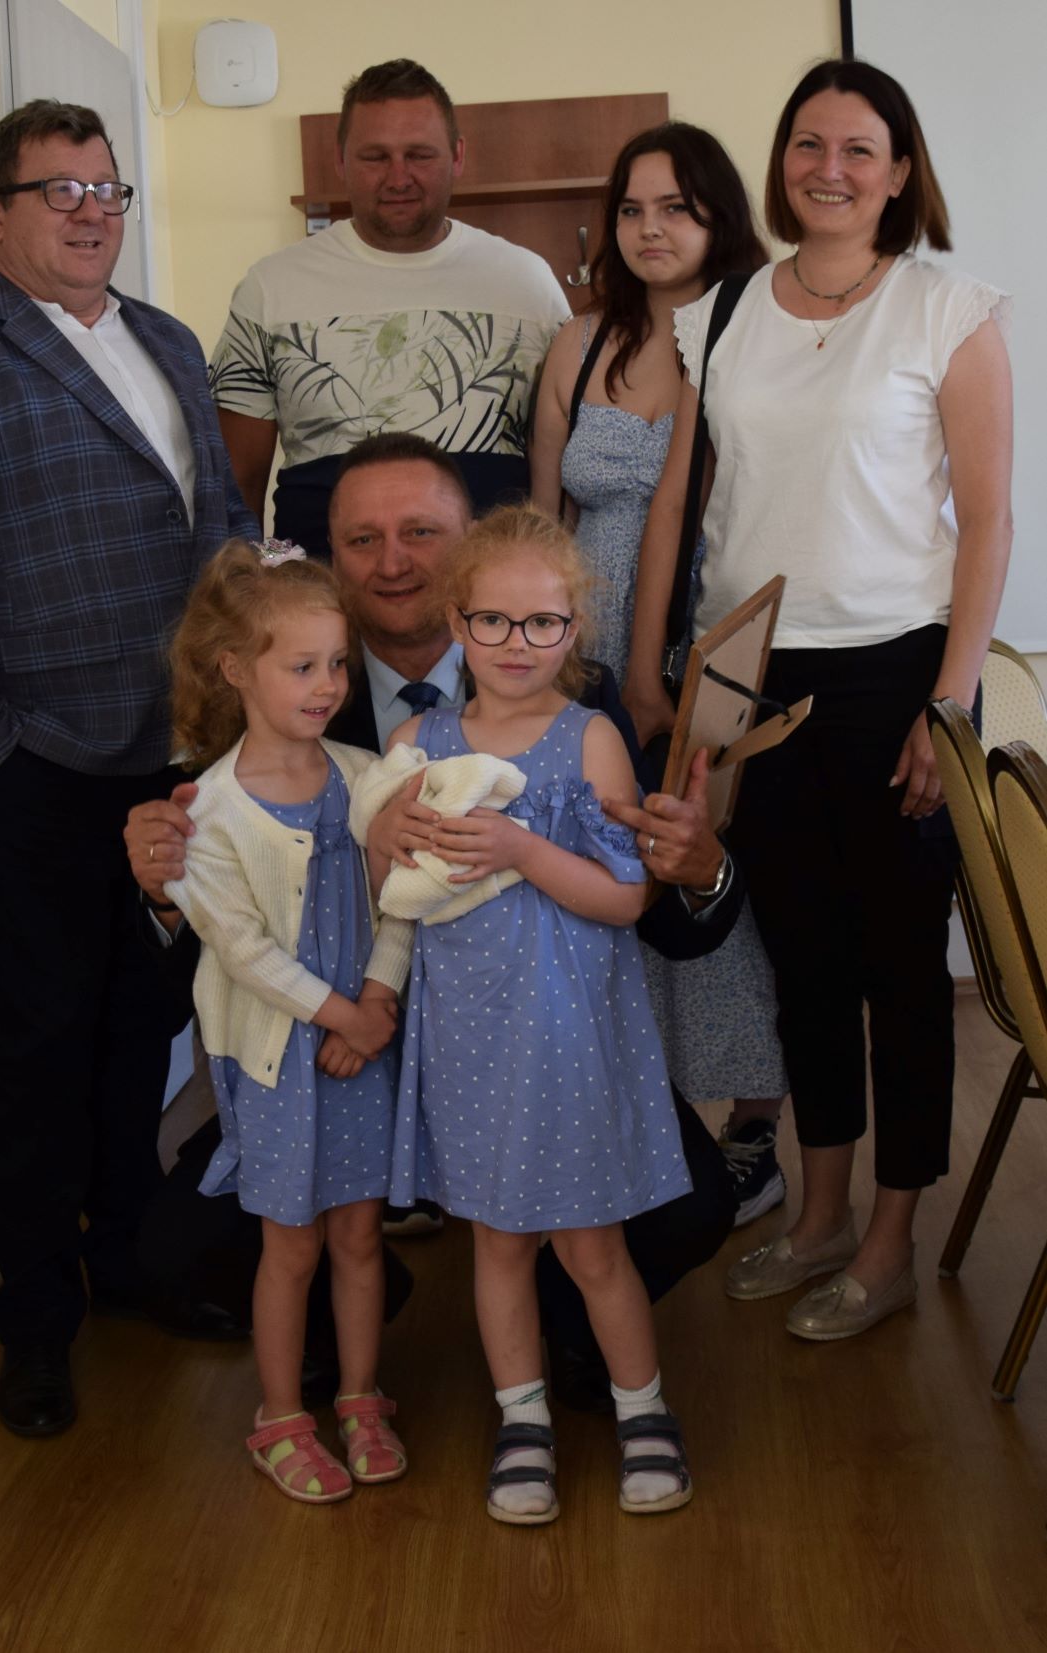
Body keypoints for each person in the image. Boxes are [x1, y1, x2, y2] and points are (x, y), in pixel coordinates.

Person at [125, 434, 739, 1404]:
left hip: (530, 1044)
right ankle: (353, 1301)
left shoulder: (575, 706)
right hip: (340, 1056)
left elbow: (650, 914)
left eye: (421, 532)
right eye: (361, 540)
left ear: (469, 552)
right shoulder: (279, 712)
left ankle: (567, 1323)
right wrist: (163, 894)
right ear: (330, 560)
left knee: (691, 1205)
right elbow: (200, 958)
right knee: (172, 1252)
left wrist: (702, 870)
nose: (392, 561)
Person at [0, 100, 259, 1439]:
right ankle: (36, 1325)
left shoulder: (167, 339)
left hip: (177, 759)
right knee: (35, 1058)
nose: (92, 213)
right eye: (60, 191)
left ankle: (127, 1263)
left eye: (107, 188)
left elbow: (221, 522)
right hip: (37, 771)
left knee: (143, 1027)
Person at [625, 59, 1013, 1341]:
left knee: (900, 966)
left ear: (899, 172)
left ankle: (892, 1237)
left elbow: (988, 520)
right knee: (801, 957)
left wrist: (947, 704)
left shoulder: (947, 309)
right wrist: (656, 666)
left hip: (898, 671)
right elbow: (679, 504)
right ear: (782, 161)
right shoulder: (723, 310)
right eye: (807, 145)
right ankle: (822, 1211)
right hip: (755, 675)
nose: (828, 169)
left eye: (857, 149)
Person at [366, 504, 692, 1524]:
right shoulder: (416, 741)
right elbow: (386, 889)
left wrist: (519, 848)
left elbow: (625, 900)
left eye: (542, 622)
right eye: (494, 621)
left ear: (573, 628)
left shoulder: (590, 740)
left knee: (592, 1246)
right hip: (468, 1034)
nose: (518, 643)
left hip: (567, 1033)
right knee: (498, 1244)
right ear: (456, 623)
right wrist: (381, 835)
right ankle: (522, 1420)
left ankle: (643, 1409)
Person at [532, 123, 787, 1226]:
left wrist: (661, 669)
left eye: (676, 207)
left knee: (717, 872)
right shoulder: (578, 341)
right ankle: (649, 1119)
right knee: (612, 871)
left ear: (718, 215)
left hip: (705, 637)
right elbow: (542, 519)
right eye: (632, 209)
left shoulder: (757, 333)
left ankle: (754, 1129)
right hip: (581, 643)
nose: (650, 229)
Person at [162, 542, 413, 1505]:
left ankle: (360, 1395)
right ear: (234, 668)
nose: (327, 685)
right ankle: (278, 1416)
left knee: (360, 1237)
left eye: (337, 663)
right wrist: (346, 1013)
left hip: (362, 1047)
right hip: (279, 1061)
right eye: (301, 665)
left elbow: (404, 900)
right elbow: (243, 951)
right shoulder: (211, 812)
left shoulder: (367, 775)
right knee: (291, 1244)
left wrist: (376, 1004)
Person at [209, 60, 570, 554]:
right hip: (323, 592)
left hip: (493, 594)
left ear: (457, 156)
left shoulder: (529, 286)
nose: (398, 178)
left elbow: (567, 469)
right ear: (340, 160)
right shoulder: (269, 290)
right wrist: (253, 589)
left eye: (419, 155)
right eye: (375, 157)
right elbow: (237, 486)